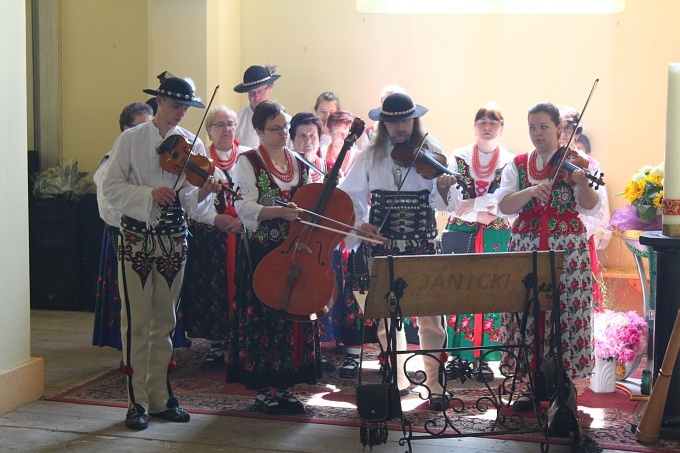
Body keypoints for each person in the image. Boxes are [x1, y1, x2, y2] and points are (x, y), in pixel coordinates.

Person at [102, 77, 221, 430]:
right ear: (158, 101)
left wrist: (204, 192)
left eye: (186, 108)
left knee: (165, 321)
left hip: (173, 240)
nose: (180, 113)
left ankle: (160, 397)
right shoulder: (130, 139)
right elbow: (110, 186)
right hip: (136, 239)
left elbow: (190, 203)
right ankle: (136, 400)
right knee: (137, 322)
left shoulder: (193, 143)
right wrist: (148, 194)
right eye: (174, 106)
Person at [339, 93, 455, 410]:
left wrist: (445, 189)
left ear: (414, 120)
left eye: (405, 119)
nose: (400, 126)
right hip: (383, 245)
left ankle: (436, 385)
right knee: (388, 319)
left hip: (423, 244)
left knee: (432, 318)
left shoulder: (432, 152)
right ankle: (398, 380)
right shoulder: (369, 156)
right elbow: (348, 198)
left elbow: (449, 202)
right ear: (384, 123)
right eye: (393, 121)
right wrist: (361, 224)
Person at [495, 101, 602, 411]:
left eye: (543, 127)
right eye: (532, 127)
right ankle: (529, 386)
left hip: (567, 250)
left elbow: (591, 205)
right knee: (527, 314)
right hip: (527, 246)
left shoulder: (576, 162)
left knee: (565, 312)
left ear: (558, 129)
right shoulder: (516, 164)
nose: (537, 133)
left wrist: (583, 182)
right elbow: (504, 206)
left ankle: (562, 387)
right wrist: (530, 191)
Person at [226, 100, 321, 416]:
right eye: (276, 128)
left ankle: (286, 386)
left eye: (285, 127)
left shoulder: (300, 162)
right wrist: (280, 212)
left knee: (294, 316)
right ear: (258, 131)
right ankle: (264, 390)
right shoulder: (248, 161)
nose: (283, 133)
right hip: (264, 254)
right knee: (266, 317)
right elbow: (245, 207)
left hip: (298, 252)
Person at [442, 102, 515, 382]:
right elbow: (453, 203)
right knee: (458, 290)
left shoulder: (509, 160)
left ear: (501, 128)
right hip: (461, 232)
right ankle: (456, 356)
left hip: (496, 234)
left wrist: (475, 206)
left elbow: (503, 201)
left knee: (491, 291)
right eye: (482, 122)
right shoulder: (458, 157)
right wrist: (480, 209)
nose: (487, 127)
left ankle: (484, 358)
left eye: (493, 122)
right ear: (474, 127)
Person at [179, 105, 245, 371]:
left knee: (241, 287)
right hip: (211, 236)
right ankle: (216, 346)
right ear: (208, 131)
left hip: (243, 232)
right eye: (219, 125)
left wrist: (245, 219)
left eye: (230, 124)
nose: (226, 129)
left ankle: (240, 343)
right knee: (215, 289)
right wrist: (215, 219)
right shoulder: (199, 161)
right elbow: (192, 206)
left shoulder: (249, 157)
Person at [92, 102, 153, 352]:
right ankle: (129, 351)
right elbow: (108, 209)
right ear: (125, 130)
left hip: (151, 235)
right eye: (140, 127)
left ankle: (157, 349)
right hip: (124, 237)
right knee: (129, 297)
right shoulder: (111, 162)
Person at [559, 106, 610, 311]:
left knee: (578, 302)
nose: (561, 134)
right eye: (558, 128)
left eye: (567, 130)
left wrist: (573, 233)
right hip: (547, 238)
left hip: (578, 238)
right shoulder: (541, 160)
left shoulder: (589, 165)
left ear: (577, 134)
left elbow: (597, 209)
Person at [233, 64, 291, 148]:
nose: (256, 97)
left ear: (270, 88)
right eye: (252, 93)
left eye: (260, 91)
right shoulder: (237, 120)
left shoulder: (285, 120)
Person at [290, 111, 327, 183]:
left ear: (319, 139)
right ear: (293, 140)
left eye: (312, 136)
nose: (308, 140)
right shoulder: (284, 168)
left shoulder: (329, 168)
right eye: (302, 136)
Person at [320, 109, 360, 176]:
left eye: (346, 131)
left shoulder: (358, 157)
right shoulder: (320, 153)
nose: (343, 137)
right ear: (330, 131)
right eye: (338, 131)